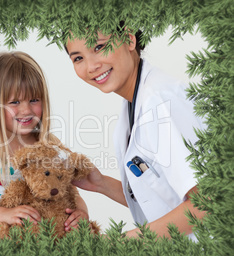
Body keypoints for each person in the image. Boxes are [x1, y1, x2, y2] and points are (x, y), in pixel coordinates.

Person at [65, 25, 207, 240]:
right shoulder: (134, 102)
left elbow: (208, 202)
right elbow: (162, 197)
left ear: (130, 40)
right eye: (78, 58)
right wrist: (101, 183)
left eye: (100, 46)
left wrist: (119, 242)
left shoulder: (159, 101)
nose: (91, 66)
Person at [0, 51, 89, 232]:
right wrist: (4, 214)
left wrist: (80, 211)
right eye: (15, 102)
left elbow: (70, 192)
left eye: (34, 100)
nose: (26, 110)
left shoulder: (48, 147)